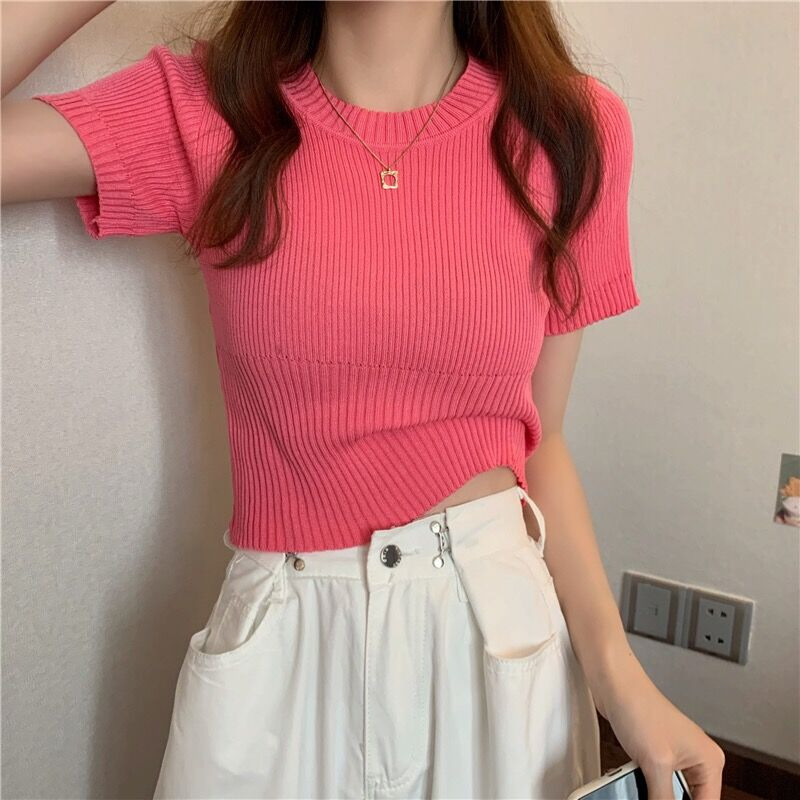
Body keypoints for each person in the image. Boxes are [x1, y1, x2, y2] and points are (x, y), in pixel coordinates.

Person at [2, 1, 726, 798]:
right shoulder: (214, 109)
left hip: (494, 651)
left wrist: (621, 678)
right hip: (280, 656)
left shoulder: (569, 129)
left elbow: (541, 442)